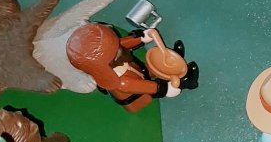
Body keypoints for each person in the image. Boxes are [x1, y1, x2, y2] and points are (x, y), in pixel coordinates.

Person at [65, 22, 198, 112]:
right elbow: (147, 87)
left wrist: (142, 37)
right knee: (154, 82)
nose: (119, 47)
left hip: (138, 71)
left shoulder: (114, 55)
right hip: (139, 96)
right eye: (115, 49)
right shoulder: (122, 82)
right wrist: (166, 89)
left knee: (148, 69)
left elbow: (122, 44)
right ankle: (187, 83)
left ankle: (169, 62)